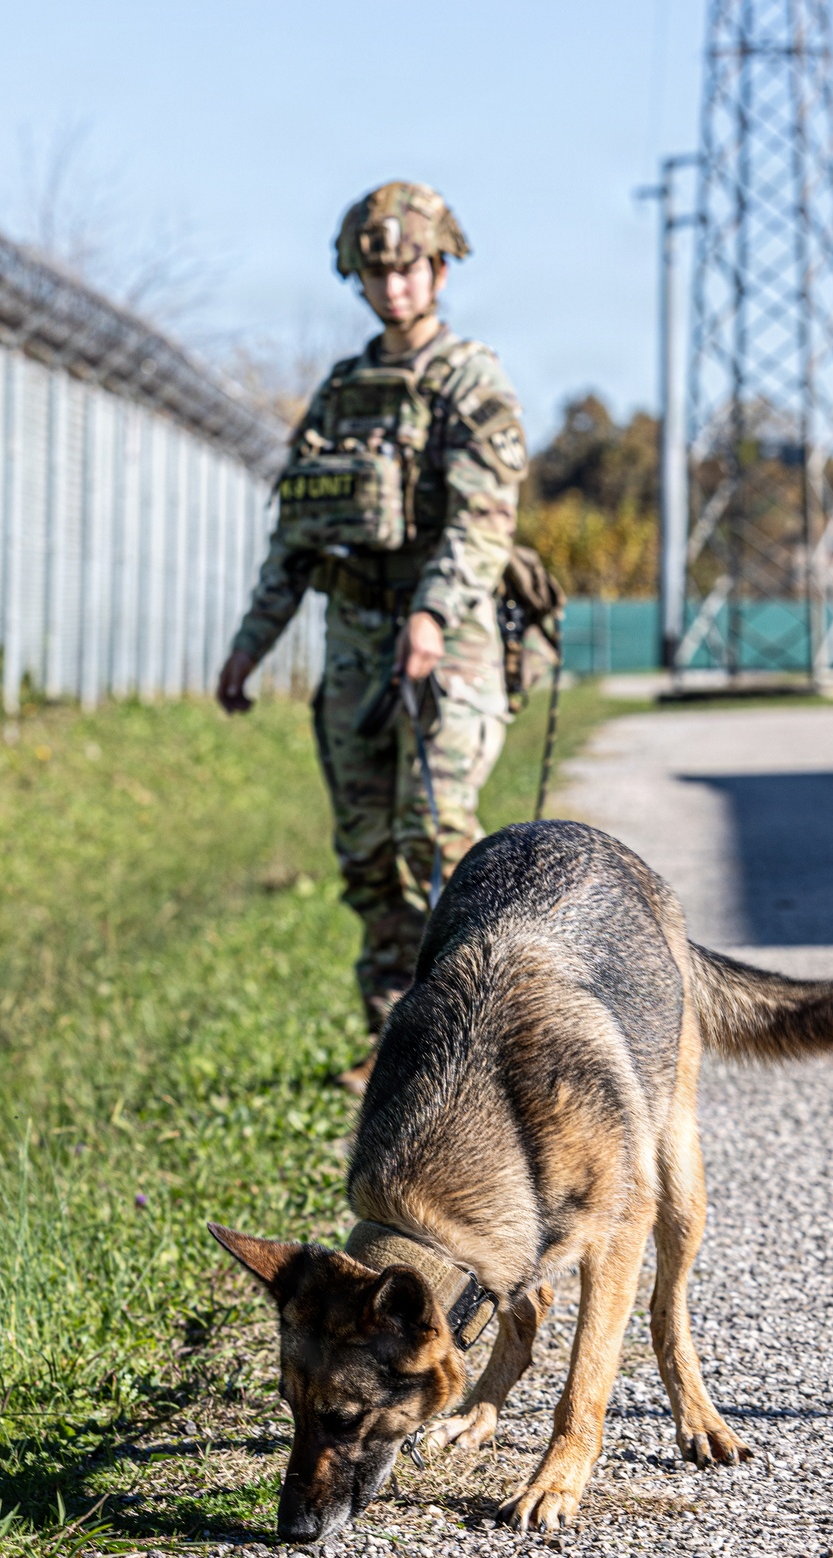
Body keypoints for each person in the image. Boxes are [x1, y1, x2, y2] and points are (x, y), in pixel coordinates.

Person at [217, 182, 527, 1091]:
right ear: (355, 276)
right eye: (375, 270)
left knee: (435, 837)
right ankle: (394, 1039)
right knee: (366, 852)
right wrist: (250, 646)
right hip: (355, 640)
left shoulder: (473, 382)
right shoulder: (343, 392)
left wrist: (431, 612)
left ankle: (472, 1036)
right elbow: (298, 534)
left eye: (409, 268)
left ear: (439, 269)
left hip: (451, 644)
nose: (393, 287)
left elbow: (483, 523)